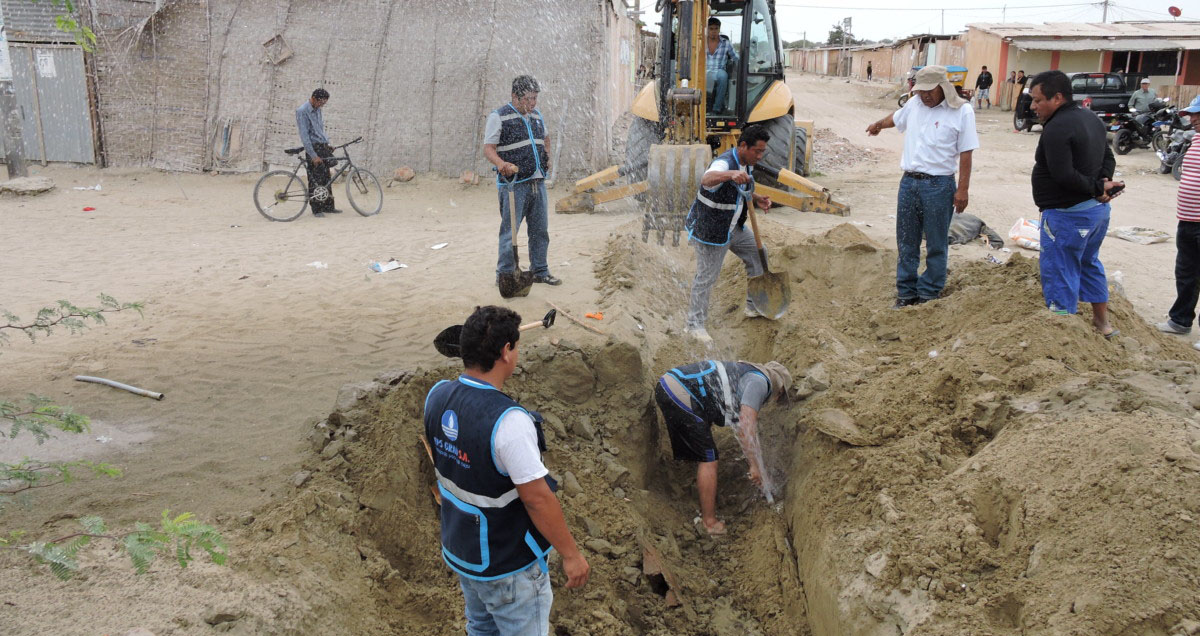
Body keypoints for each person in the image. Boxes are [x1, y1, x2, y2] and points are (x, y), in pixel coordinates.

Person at [424, 305, 589, 635]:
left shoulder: (437, 396)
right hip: (508, 565)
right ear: (506, 352)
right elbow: (537, 500)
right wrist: (571, 555)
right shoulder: (510, 422)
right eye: (516, 346)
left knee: (481, 627)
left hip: (464, 552)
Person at [866, 65, 979, 309]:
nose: (925, 95)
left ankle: (929, 293)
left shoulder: (962, 111)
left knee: (937, 243)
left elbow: (967, 152)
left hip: (939, 185)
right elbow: (895, 119)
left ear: (943, 87)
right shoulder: (914, 104)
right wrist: (877, 124)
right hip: (909, 183)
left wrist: (963, 189)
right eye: (921, 91)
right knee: (906, 241)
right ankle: (906, 293)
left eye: (930, 91)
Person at [1027, 70, 1123, 338]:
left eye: (1037, 100)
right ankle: (1102, 324)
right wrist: (1102, 184)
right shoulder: (1090, 118)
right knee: (1088, 262)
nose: (1033, 106)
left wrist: (1097, 187)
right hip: (1096, 213)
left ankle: (1062, 334)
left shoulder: (1057, 127)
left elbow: (1063, 175)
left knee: (1060, 270)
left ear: (1057, 97)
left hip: (1068, 216)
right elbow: (1108, 158)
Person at [653, 359, 792, 535]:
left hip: (670, 386)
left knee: (705, 448)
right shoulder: (760, 383)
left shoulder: (747, 374)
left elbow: (744, 430)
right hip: (678, 390)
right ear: (779, 390)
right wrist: (754, 466)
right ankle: (709, 523)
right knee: (709, 458)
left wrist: (756, 461)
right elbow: (746, 423)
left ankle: (693, 486)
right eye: (779, 397)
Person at [683, 125, 773, 342]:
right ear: (743, 146)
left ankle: (754, 306)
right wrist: (730, 174)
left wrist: (757, 197)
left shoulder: (746, 163)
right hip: (711, 230)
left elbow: (740, 189)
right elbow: (707, 179)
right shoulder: (725, 162)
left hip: (733, 228)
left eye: (762, 152)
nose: (760, 156)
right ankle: (694, 325)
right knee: (707, 276)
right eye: (757, 151)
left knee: (758, 256)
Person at [484, 76, 561, 287]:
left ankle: (540, 270)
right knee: (510, 233)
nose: (533, 103)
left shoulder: (536, 115)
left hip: (537, 183)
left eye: (535, 98)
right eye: (528, 99)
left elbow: (546, 138)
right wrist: (501, 164)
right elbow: (488, 148)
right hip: (514, 185)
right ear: (515, 97)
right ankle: (506, 275)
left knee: (539, 231)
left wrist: (546, 158)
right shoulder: (499, 117)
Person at [1156, 96, 1200, 344]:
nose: (1192, 119)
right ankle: (1180, 320)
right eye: (1192, 114)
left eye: (1197, 115)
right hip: (1187, 221)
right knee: (1186, 273)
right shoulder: (1195, 141)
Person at [295, 88, 341, 217]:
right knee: (315, 179)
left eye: (324, 103)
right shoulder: (302, 111)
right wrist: (313, 155)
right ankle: (317, 209)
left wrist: (327, 144)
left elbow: (320, 130)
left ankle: (328, 206)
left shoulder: (318, 110)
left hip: (322, 146)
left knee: (326, 176)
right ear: (314, 98)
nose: (322, 105)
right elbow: (305, 136)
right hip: (313, 147)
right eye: (321, 102)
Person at [705, 17, 738, 114]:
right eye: (711, 29)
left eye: (716, 29)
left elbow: (735, 57)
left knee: (723, 76)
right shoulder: (700, 42)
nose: (713, 31)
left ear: (719, 29)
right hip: (704, 70)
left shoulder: (726, 43)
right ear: (707, 29)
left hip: (718, 70)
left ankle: (717, 108)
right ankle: (699, 107)